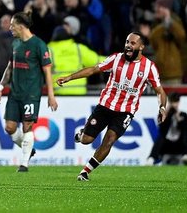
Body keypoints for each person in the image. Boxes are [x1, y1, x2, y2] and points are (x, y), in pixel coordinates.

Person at [57, 32, 167, 181]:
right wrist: (70, 77)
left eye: (133, 43)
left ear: (141, 47)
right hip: (105, 106)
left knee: (110, 139)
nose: (128, 45)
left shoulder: (149, 67)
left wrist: (162, 108)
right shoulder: (115, 59)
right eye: (127, 42)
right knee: (86, 140)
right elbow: (93, 69)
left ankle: (85, 172)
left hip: (125, 111)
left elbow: (159, 90)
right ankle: (82, 133)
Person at [0, 12, 58, 172]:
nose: (10, 28)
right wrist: (1, 86)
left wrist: (51, 95)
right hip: (15, 94)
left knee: (27, 127)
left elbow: (47, 72)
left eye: (12, 25)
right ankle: (29, 149)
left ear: (21, 26)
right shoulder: (15, 43)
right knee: (9, 128)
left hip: (31, 94)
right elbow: (10, 67)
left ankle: (24, 164)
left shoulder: (39, 45)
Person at [48, 16, 106, 95]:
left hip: (59, 92)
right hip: (79, 91)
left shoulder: (49, 50)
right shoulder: (78, 48)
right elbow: (97, 60)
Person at [147, 92, 187, 165]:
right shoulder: (164, 115)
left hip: (180, 144)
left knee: (186, 133)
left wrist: (178, 117)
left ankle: (186, 155)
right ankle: (152, 158)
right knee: (160, 137)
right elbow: (162, 129)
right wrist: (167, 112)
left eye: (176, 102)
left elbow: (184, 129)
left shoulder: (183, 115)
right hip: (167, 144)